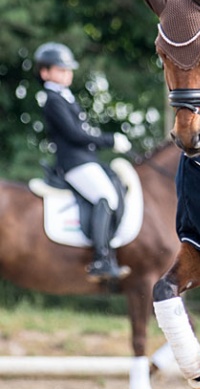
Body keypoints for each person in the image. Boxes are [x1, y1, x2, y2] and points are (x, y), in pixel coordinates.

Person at [34, 42, 133, 281]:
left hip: (86, 160)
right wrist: (109, 140)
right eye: (60, 69)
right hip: (75, 163)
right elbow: (74, 135)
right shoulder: (52, 99)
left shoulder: (65, 97)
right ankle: (100, 259)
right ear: (45, 72)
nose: (66, 73)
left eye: (68, 69)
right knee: (105, 196)